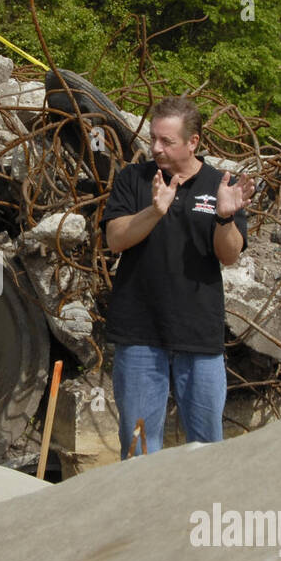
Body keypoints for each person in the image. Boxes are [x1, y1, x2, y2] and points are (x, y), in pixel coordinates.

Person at [102, 96, 256, 456]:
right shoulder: (133, 178)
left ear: (193, 142)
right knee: (139, 447)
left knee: (205, 447)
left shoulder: (221, 184)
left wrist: (224, 217)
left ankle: (201, 512)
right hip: (139, 333)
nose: (155, 148)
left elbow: (229, 255)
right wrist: (155, 211)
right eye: (153, 138)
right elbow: (115, 240)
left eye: (166, 141)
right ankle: (144, 510)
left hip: (199, 336)